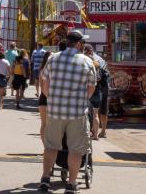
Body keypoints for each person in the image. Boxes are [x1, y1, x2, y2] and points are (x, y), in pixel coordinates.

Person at [38, 31, 96, 193]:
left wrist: (54, 98)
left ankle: (45, 179)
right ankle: (71, 184)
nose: (83, 46)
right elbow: (91, 88)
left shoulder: (53, 59)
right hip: (77, 113)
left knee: (51, 146)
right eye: (82, 43)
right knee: (76, 149)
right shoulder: (86, 61)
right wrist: (80, 100)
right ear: (78, 44)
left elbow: (44, 86)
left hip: (55, 111)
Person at [84, 42, 109, 140]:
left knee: (93, 112)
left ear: (88, 51)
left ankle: (93, 131)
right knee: (102, 109)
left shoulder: (89, 60)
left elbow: (95, 78)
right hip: (103, 86)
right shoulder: (100, 59)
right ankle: (102, 131)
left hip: (95, 87)